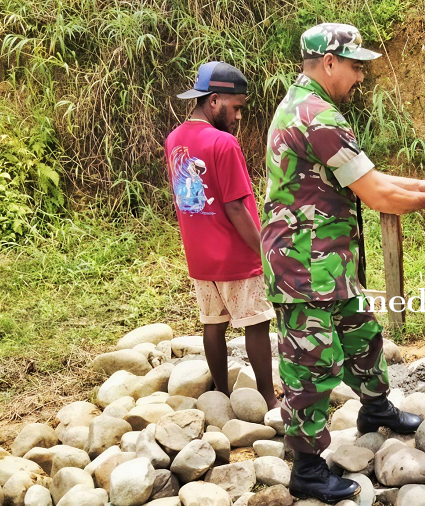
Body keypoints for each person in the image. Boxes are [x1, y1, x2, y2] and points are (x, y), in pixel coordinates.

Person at [261, 23, 425, 502]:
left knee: (361, 333)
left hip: (327, 260)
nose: (360, 77)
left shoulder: (307, 106)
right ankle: (308, 467)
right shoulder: (319, 115)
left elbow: (363, 173)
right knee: (311, 366)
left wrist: (422, 186)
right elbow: (374, 193)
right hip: (304, 266)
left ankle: (375, 409)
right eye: (354, 66)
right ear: (328, 62)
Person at [165, 61, 279, 410]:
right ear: (214, 100)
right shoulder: (223, 143)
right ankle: (268, 399)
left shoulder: (174, 139)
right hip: (235, 255)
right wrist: (264, 253)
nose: (239, 116)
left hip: (200, 257)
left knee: (213, 325)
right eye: (237, 107)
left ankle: (221, 396)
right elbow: (235, 208)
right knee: (256, 323)